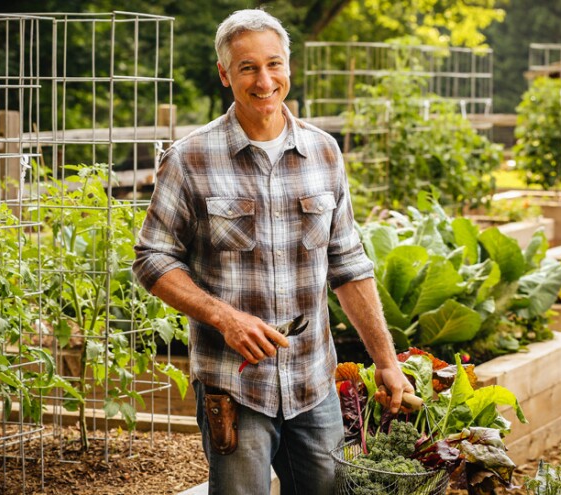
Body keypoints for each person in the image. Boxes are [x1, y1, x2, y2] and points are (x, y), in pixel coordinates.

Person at [132, 9, 414, 494]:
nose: (265, 80)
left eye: (274, 64)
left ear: (289, 67)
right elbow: (152, 258)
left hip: (313, 383)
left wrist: (387, 362)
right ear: (225, 74)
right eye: (247, 68)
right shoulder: (190, 158)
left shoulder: (324, 152)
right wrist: (226, 319)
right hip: (235, 388)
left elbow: (348, 264)